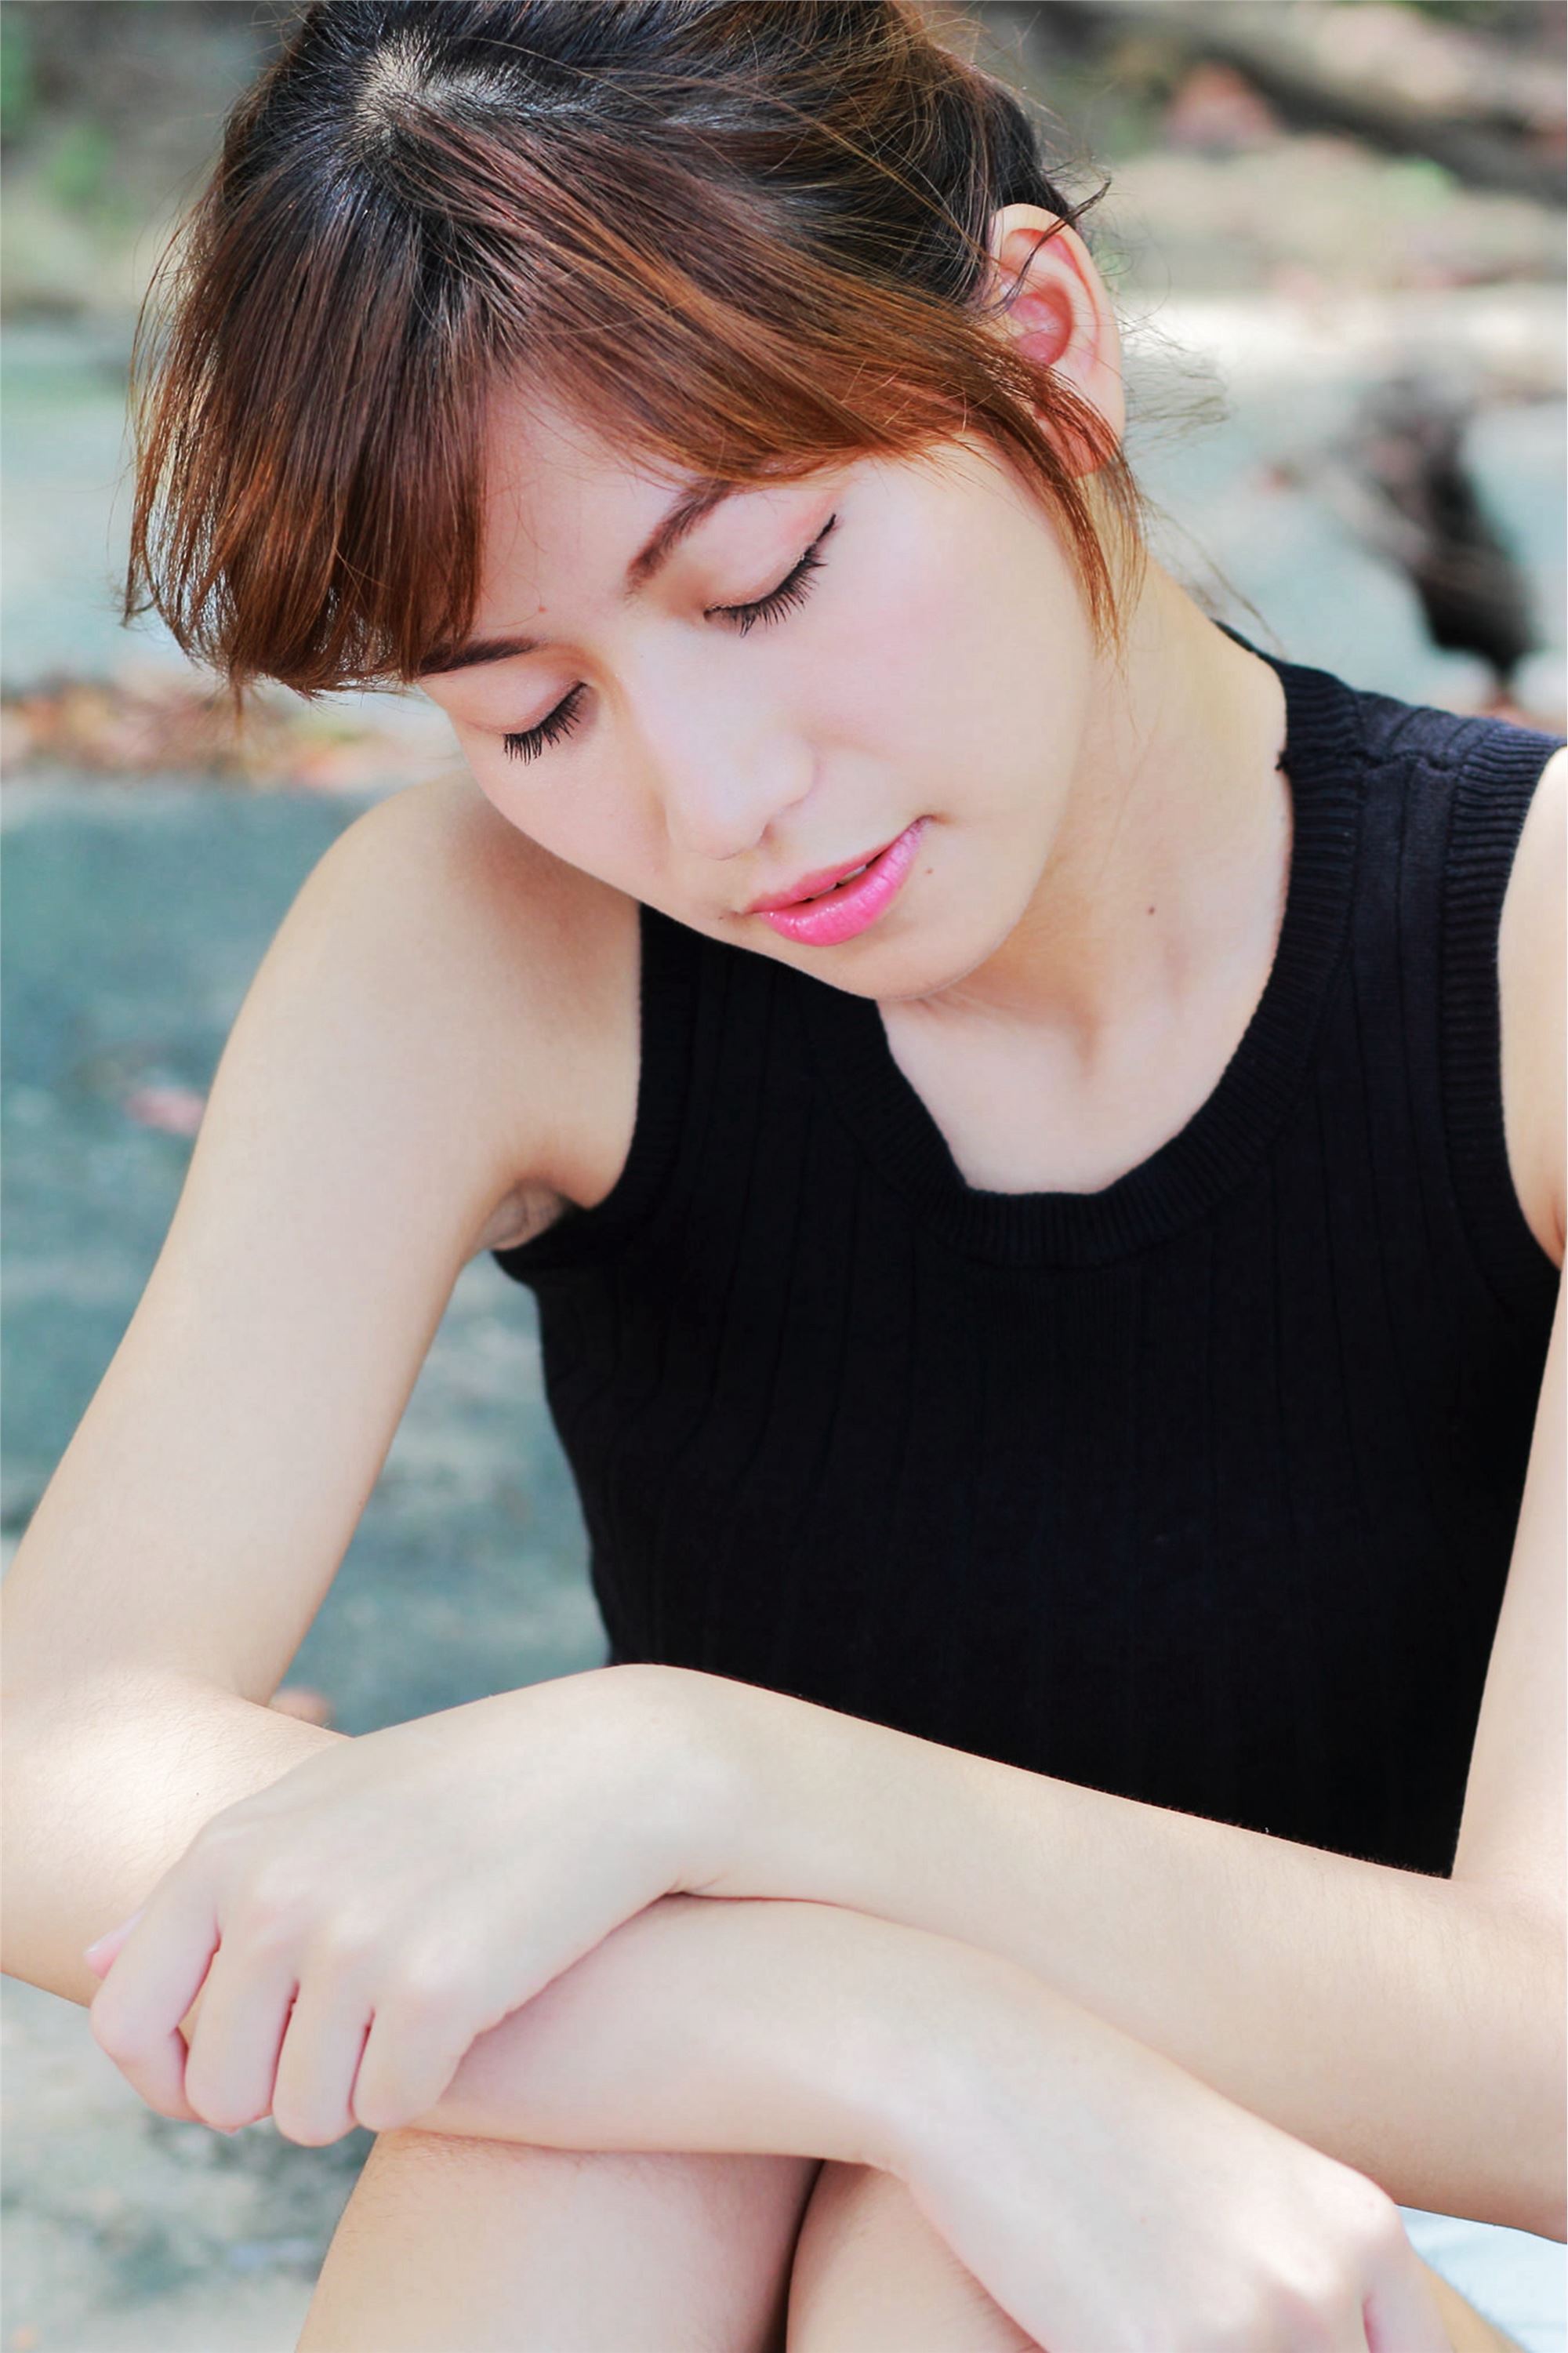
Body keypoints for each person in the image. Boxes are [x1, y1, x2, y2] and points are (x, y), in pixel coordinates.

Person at [3, 4, 1562, 2348]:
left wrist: (704, 1770)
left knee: (933, 2262)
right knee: (625, 2165)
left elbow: (1541, 2052)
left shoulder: (1528, 948)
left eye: (762, 583)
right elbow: (52, 1759)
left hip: (1451, 2228)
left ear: (1040, 348)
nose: (717, 795)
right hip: (827, 2181)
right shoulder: (489, 941)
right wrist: (910, 2040)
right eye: (533, 708)